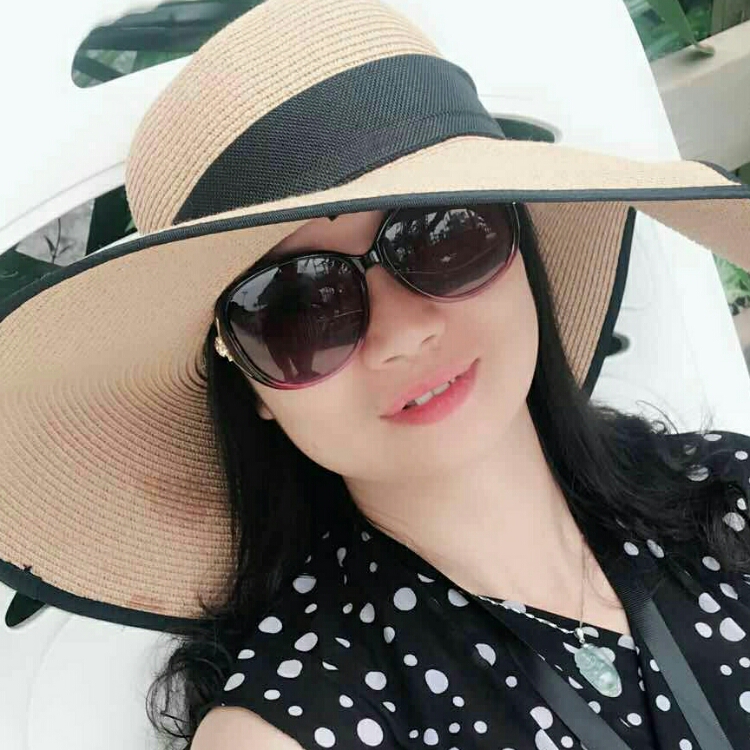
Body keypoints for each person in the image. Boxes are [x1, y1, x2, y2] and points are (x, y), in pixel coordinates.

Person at [1, 0, 749, 749]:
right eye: (298, 309)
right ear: (246, 381)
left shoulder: (731, 496)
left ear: (521, 241)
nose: (402, 335)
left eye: (443, 235)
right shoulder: (286, 731)